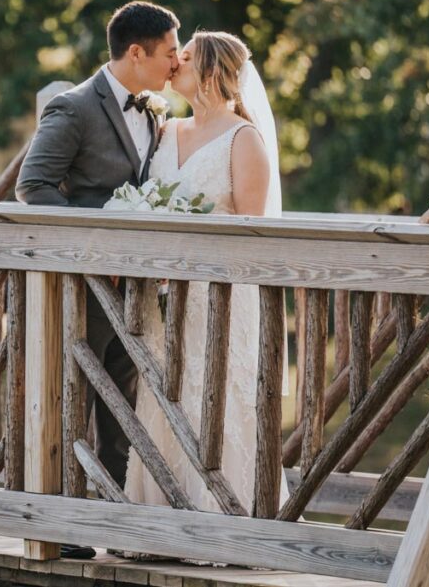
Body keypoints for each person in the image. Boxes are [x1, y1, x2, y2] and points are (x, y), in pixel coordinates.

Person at [16, 1, 180, 559]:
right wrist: (92, 249)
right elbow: (33, 185)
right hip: (84, 286)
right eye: (169, 52)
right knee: (74, 397)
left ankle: (107, 518)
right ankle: (65, 525)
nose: (176, 64)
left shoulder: (156, 112)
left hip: (134, 289)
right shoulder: (75, 107)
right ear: (136, 52)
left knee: (121, 404)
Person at [123, 30, 291, 518]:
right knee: (161, 397)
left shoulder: (244, 140)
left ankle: (225, 517)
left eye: (187, 57)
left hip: (219, 299)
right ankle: (157, 519)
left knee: (212, 400)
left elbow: (252, 238)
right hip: (163, 301)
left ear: (213, 72)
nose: (174, 62)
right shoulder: (166, 131)